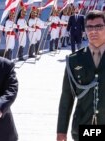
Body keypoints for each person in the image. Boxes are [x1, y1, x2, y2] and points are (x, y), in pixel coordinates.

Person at [57, 10, 105, 141]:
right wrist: (61, 131)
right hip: (83, 125)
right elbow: (67, 97)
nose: (93, 31)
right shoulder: (74, 60)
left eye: (99, 27)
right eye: (89, 27)